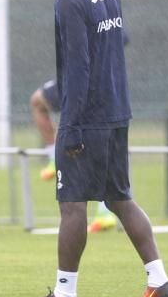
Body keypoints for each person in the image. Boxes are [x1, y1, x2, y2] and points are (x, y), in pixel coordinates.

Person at [20, 0, 168, 297]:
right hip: (117, 112)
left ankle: (64, 294)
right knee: (120, 197)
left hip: (88, 118)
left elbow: (78, 67)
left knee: (72, 204)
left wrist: (69, 126)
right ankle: (159, 280)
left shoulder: (68, 1)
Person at [32, 79, 117, 232]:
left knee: (44, 104)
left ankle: (54, 157)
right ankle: (105, 210)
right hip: (102, 82)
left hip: (80, 77)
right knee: (97, 135)